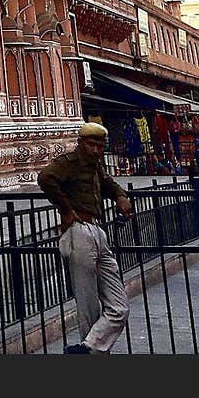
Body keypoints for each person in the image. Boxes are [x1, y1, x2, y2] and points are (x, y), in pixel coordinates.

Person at [37, 121, 132, 354]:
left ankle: (87, 348)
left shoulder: (95, 166)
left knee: (119, 307)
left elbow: (109, 184)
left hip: (97, 229)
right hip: (79, 230)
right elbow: (46, 178)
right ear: (80, 143)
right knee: (87, 304)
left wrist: (120, 196)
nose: (96, 150)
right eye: (91, 145)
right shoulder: (70, 162)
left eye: (100, 146)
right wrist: (66, 209)